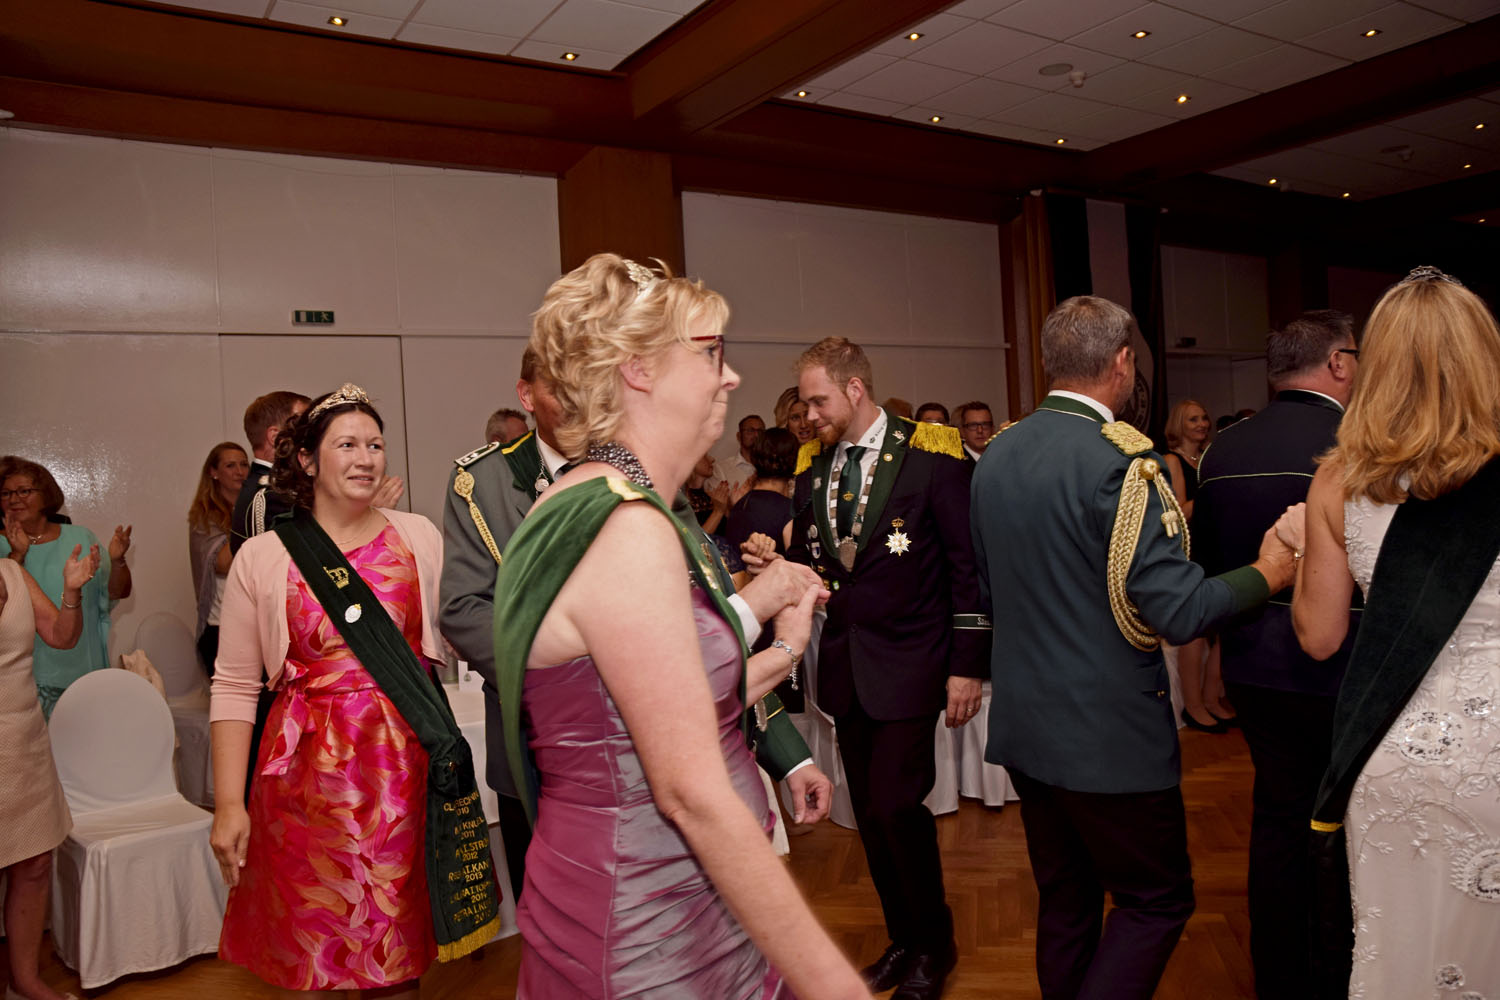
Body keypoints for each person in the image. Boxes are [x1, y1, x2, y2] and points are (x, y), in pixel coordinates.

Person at [490, 254, 866, 999]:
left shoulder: (597, 500)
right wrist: (837, 987)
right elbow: (689, 791)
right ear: (638, 369)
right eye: (710, 353)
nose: (730, 377)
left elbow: (654, 711)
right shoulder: (622, 526)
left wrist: (785, 645)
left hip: (680, 894)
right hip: (648, 915)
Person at [971, 295, 1298, 1000]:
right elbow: (1180, 611)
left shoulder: (998, 454)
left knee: (1067, 899)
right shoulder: (1121, 462)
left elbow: (992, 594)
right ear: (1122, 363)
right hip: (1107, 738)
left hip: (1027, 729)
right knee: (1155, 902)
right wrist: (1269, 572)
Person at [209, 386, 473, 996]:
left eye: (375, 445)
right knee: (317, 948)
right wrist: (227, 805)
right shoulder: (265, 556)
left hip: (400, 772)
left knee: (394, 950)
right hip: (302, 778)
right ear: (307, 460)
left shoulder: (418, 537)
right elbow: (235, 686)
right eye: (347, 445)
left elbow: (462, 634)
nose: (366, 459)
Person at [1292, 268, 1500, 999]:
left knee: (1399, 961)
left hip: (1391, 761)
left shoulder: (1339, 480)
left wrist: (1298, 549)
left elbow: (1319, 637)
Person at [787, 336, 989, 1000]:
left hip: (912, 663)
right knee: (871, 814)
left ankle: (935, 944)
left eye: (818, 401)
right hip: (847, 666)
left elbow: (967, 567)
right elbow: (823, 562)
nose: (808, 415)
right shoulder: (815, 469)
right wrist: (778, 565)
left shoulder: (932, 460)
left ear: (854, 389)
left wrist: (968, 665)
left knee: (900, 807)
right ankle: (904, 938)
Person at [1192, 309, 1361, 999]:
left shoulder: (1223, 450)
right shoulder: (1359, 442)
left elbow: (1210, 568)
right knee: (1346, 824)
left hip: (1254, 665)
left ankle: (1278, 970)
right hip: (1342, 665)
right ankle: (1338, 967)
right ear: (1340, 362)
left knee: (1277, 815)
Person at [440, 347, 568, 896]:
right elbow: (463, 609)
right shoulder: (483, 481)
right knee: (545, 904)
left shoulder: (633, 464)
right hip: (529, 737)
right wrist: (563, 668)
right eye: (562, 386)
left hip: (633, 745)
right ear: (527, 396)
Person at [2, 539, 97, 1000]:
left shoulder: (12, 573)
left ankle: (25, 982)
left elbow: (62, 635)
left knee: (35, 862)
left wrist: (71, 591)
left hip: (23, 742)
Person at [0, 457, 130, 717]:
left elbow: (117, 592)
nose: (14, 499)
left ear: (46, 495)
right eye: (6, 493)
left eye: (24, 491)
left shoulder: (80, 537)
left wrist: (117, 561)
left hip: (81, 669)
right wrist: (17, 555)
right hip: (24, 682)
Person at [1161, 398, 1221, 733]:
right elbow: (1179, 513)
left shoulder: (1209, 457)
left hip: (1216, 545)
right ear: (1179, 426)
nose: (1201, 425)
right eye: (1193, 420)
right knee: (1195, 633)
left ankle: (1212, 700)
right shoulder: (1172, 460)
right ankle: (1193, 706)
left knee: (1222, 629)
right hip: (1191, 551)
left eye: (1204, 418)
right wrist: (1213, 491)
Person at [188, 442, 250, 675]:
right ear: (214, 472)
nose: (239, 472)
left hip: (255, 626)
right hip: (221, 628)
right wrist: (244, 518)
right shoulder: (204, 519)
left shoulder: (258, 509)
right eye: (230, 466)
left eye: (244, 465)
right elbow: (223, 564)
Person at [229, 390, 310, 556]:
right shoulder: (271, 496)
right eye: (303, 426)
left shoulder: (275, 487)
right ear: (275, 437)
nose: (311, 436)